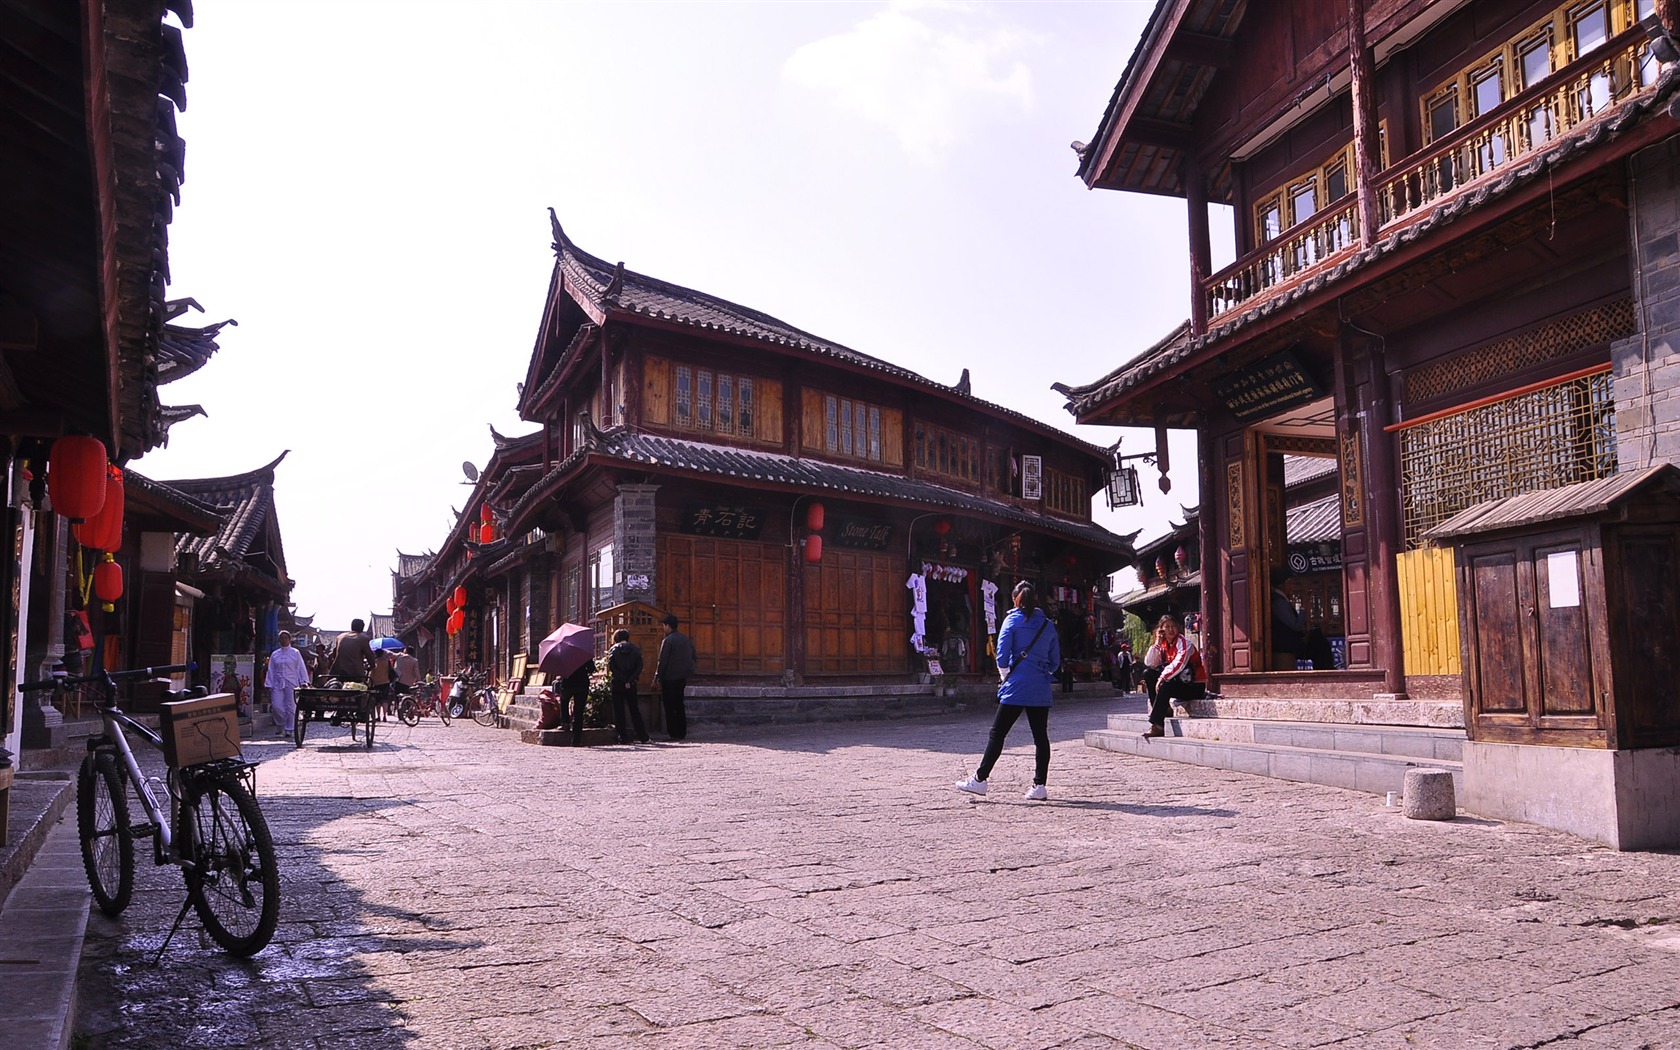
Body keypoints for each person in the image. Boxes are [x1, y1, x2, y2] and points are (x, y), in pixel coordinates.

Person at [956, 580, 1061, 801]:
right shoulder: (1048, 625)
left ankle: (980, 779)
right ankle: (1039, 785)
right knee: (1041, 737)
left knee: (998, 734)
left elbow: (1002, 656)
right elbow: (1054, 662)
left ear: (1015, 599)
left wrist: (1006, 677)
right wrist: (1040, 671)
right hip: (1040, 687)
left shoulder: (1011, 621)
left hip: (1016, 686)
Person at [1140, 614, 1205, 738]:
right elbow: (1149, 662)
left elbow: (1178, 664)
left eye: (1173, 626)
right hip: (1178, 682)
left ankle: (1157, 725)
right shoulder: (1163, 646)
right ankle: (1165, 710)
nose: (1170, 630)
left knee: (1165, 686)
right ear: (1161, 630)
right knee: (1148, 674)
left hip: (1193, 686)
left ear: (1178, 627)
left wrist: (1162, 678)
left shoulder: (1185, 644)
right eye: (1167, 627)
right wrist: (1157, 643)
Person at [655, 613, 696, 741]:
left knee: (669, 706)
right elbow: (693, 657)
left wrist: (657, 677)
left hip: (669, 678)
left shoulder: (668, 640)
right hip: (682, 677)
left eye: (664, 625)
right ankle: (682, 731)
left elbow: (662, 661)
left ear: (667, 626)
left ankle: (673, 733)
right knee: (679, 704)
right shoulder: (686, 639)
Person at [605, 629, 649, 744]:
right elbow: (639, 666)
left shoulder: (613, 650)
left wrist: (623, 679)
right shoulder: (635, 649)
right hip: (631, 683)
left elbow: (612, 667)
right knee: (634, 709)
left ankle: (622, 737)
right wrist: (630, 680)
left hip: (618, 682)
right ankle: (643, 736)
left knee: (619, 711)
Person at [266, 631, 309, 736]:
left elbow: (301, 668)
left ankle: (289, 729)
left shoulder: (295, 653)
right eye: (282, 638)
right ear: (279, 640)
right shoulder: (275, 654)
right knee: (276, 706)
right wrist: (269, 684)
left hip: (291, 682)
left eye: (286, 638)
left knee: (290, 706)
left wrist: (304, 681)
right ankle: (280, 724)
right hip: (277, 682)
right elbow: (271, 670)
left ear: (290, 640)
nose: (284, 640)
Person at [559, 657, 596, 746]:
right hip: (582, 683)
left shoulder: (565, 654)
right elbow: (591, 668)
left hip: (568, 683)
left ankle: (565, 722)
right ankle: (576, 739)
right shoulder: (582, 654)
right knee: (578, 711)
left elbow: (559, 669)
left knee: (564, 701)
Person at [331, 619, 373, 683]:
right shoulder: (363, 639)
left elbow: (335, 655)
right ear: (362, 628)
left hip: (339, 673)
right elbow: (370, 657)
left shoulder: (340, 637)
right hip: (356, 675)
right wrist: (373, 666)